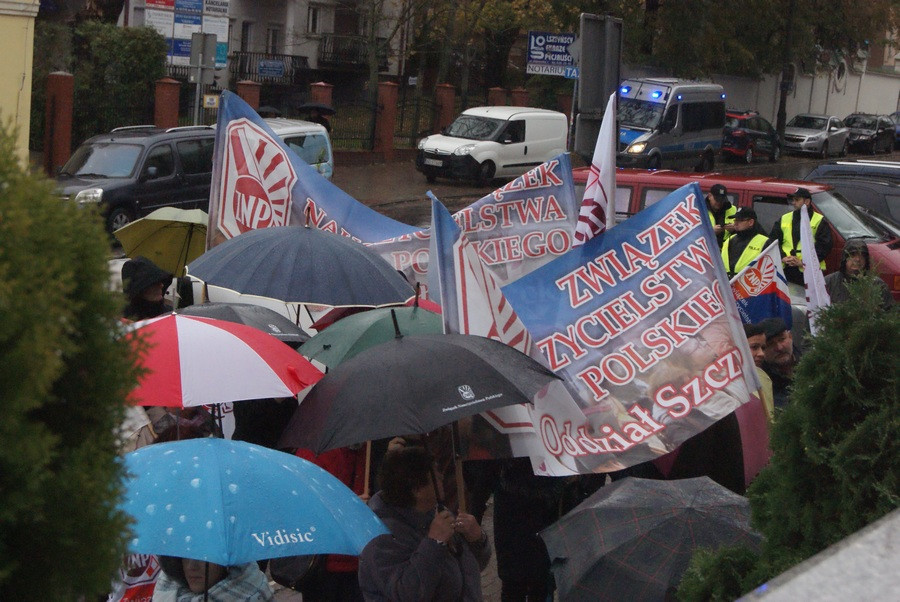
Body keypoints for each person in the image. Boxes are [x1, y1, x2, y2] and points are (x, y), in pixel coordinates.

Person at [358, 446, 492, 602]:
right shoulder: (382, 536)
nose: (441, 477)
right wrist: (434, 543)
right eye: (435, 475)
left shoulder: (436, 512)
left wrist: (477, 539)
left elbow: (471, 569)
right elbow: (407, 593)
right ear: (417, 489)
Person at [768, 187, 833, 286]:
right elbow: (773, 242)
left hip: (809, 272)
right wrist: (783, 257)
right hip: (786, 269)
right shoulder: (784, 218)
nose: (794, 203)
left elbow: (824, 247)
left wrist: (803, 262)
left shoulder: (819, 221)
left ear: (807, 201)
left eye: (797, 200)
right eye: (793, 200)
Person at [153, 556, 273, 601]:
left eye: (204, 558)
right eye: (186, 557)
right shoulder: (165, 592)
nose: (192, 566)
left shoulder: (255, 594)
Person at [824, 239, 893, 308]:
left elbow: (889, 313)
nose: (858, 259)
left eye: (862, 255)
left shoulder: (877, 285)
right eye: (853, 255)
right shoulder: (829, 282)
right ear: (845, 258)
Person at [759, 317, 799, 409]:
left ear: (790, 337)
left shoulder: (811, 362)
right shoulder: (762, 382)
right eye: (770, 344)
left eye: (782, 339)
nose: (779, 348)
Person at [721, 207, 770, 279]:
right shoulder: (730, 239)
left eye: (740, 220)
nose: (735, 223)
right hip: (726, 283)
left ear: (751, 222)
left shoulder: (765, 242)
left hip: (749, 286)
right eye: (735, 220)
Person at [122, 256, 172, 321]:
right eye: (155, 282)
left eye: (161, 281)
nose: (161, 285)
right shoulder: (120, 323)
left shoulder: (170, 315)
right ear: (140, 289)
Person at [744, 322, 774, 421]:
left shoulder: (763, 377)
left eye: (763, 348)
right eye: (754, 347)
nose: (761, 353)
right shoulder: (724, 383)